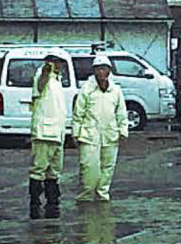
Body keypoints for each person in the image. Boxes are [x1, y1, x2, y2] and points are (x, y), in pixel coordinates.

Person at [73, 53, 128, 202]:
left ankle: (102, 195)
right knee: (89, 168)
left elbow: (121, 112)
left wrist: (123, 131)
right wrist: (76, 134)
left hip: (110, 135)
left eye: (104, 69)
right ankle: (85, 196)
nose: (102, 72)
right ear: (94, 71)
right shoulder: (86, 89)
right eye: (98, 69)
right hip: (89, 135)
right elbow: (78, 113)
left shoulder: (116, 90)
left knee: (108, 168)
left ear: (109, 71)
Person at [29, 50, 69, 219]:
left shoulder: (57, 81)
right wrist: (46, 69)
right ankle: (35, 201)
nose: (60, 65)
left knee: (54, 169)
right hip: (44, 132)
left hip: (57, 132)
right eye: (57, 62)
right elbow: (39, 86)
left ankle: (52, 200)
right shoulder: (42, 75)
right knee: (39, 167)